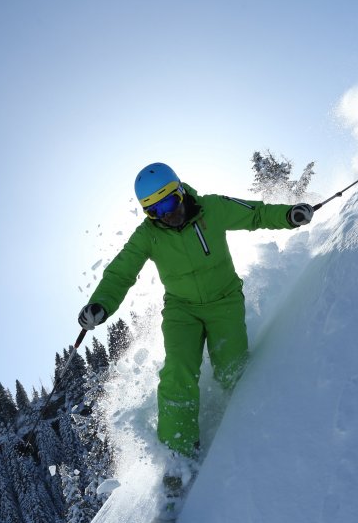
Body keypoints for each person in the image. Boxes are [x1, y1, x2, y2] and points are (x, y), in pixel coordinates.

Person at [77, 162, 314, 490]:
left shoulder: (212, 209)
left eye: (169, 202)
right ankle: (179, 453)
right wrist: (100, 304)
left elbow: (255, 214)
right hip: (181, 311)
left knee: (231, 368)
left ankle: (246, 427)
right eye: (155, 210)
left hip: (224, 301)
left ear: (180, 192)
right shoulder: (149, 235)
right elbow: (121, 271)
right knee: (177, 372)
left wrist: (288, 216)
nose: (165, 214)